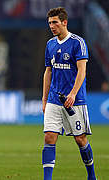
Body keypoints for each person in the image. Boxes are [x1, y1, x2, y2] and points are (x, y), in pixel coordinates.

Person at [42, 7, 96, 180]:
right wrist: (44, 99)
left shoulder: (77, 42)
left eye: (55, 22)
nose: (52, 26)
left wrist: (73, 94)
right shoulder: (50, 44)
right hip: (54, 99)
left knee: (80, 139)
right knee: (49, 137)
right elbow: (48, 72)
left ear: (64, 22)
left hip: (75, 100)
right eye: (50, 23)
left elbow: (82, 71)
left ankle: (91, 176)